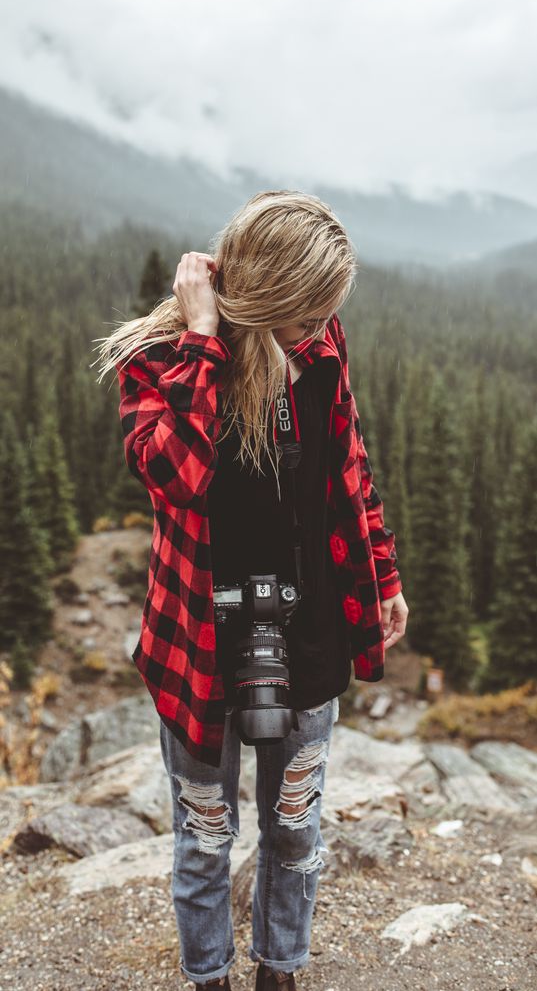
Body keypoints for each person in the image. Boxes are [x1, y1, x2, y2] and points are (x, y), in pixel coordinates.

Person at [95, 190, 409, 991]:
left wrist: (381, 573)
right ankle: (209, 977)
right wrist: (204, 338)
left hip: (307, 632)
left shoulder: (318, 348)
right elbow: (174, 474)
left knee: (295, 828)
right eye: (305, 316)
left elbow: (349, 468)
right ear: (267, 300)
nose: (319, 330)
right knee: (205, 836)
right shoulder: (158, 363)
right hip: (197, 639)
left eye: (325, 315)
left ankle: (281, 971)